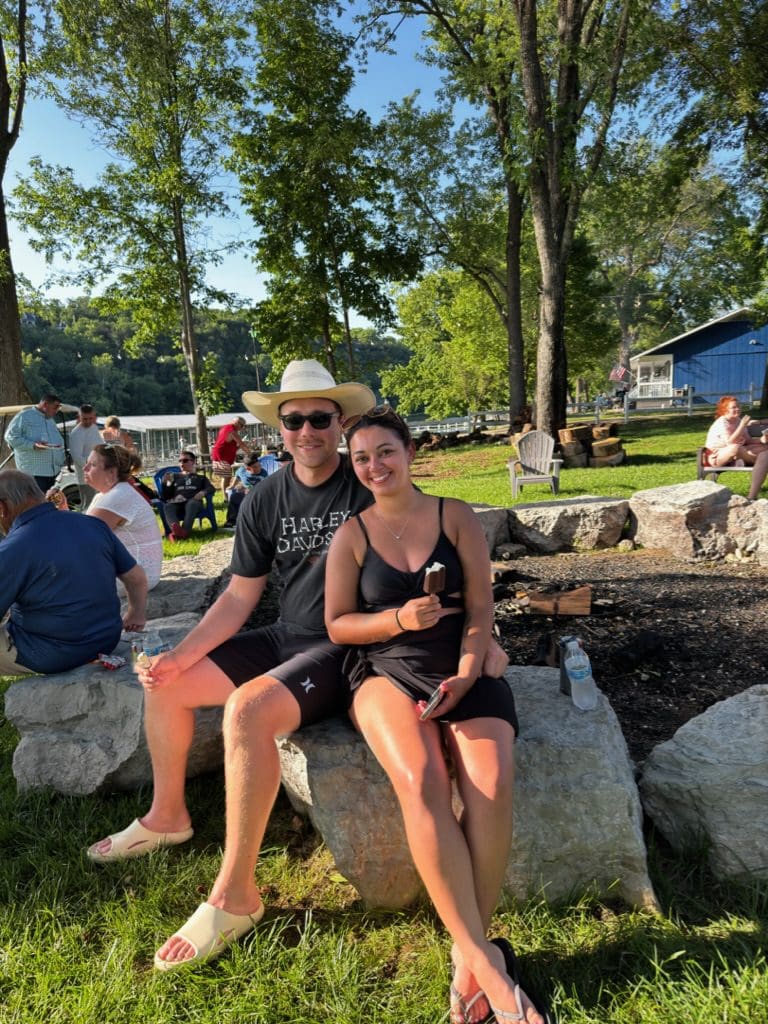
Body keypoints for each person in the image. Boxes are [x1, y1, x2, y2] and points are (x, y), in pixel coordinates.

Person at [84, 359, 508, 973]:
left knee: (248, 710)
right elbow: (239, 595)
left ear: (341, 424)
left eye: (320, 419)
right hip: (287, 634)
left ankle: (235, 894)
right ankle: (168, 815)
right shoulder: (264, 497)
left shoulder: (368, 478)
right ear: (278, 427)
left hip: (349, 649)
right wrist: (179, 655)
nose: (307, 430)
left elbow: (448, 566)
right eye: (294, 420)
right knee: (168, 686)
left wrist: (485, 641)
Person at [324, 409, 543, 1024]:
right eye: (361, 457)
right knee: (421, 779)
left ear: (410, 452)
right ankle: (489, 969)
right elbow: (337, 624)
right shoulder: (353, 535)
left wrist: (469, 672)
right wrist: (398, 618)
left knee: (491, 783)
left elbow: (481, 608)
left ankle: (467, 956)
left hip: (460, 665)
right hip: (384, 672)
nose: (375, 466)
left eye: (385, 452)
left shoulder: (456, 515)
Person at [0, 469, 148, 676]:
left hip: (50, 652)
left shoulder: (13, 548)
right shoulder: (93, 524)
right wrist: (136, 613)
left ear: (2, 508)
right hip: (106, 639)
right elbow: (136, 578)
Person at [85, 443, 163, 589]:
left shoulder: (118, 496)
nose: (85, 468)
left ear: (112, 472)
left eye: (92, 465)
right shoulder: (108, 494)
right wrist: (63, 510)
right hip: (132, 571)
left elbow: (84, 538)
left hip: (134, 575)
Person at [704, 396, 768, 501]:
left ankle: (751, 496)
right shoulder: (722, 423)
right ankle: (757, 461)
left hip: (740, 451)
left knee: (765, 451)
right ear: (725, 409)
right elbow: (730, 442)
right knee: (735, 448)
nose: (737, 409)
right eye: (733, 407)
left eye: (738, 406)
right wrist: (742, 425)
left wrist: (761, 440)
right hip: (718, 456)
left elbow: (748, 440)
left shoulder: (737, 420)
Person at [4, 393, 65, 492]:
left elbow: (58, 441)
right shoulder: (24, 416)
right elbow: (10, 437)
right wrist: (33, 445)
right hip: (34, 474)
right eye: (55, 407)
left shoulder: (50, 421)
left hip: (54, 473)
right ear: (45, 404)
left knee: (50, 501)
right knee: (35, 501)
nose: (57, 410)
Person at [160, 451, 215, 540]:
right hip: (177, 503)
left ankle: (183, 532)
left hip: (194, 502)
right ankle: (177, 531)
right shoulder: (174, 477)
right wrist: (166, 484)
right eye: (180, 461)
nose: (182, 463)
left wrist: (203, 492)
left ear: (193, 462)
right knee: (168, 506)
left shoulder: (200, 478)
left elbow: (211, 488)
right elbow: (166, 496)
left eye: (185, 460)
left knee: (191, 504)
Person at [69, 403, 102, 510]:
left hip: (98, 473)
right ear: (79, 417)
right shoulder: (76, 434)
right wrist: (93, 470)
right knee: (88, 507)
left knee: (98, 506)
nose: (88, 421)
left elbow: (100, 445)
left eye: (90, 418)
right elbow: (77, 458)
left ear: (94, 416)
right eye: (84, 419)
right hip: (86, 477)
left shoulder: (94, 428)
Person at [223, 451, 267, 528]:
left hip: (258, 495)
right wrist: (232, 486)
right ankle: (231, 520)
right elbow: (237, 476)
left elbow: (265, 487)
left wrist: (252, 490)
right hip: (244, 493)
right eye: (255, 467)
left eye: (259, 465)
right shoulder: (242, 471)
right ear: (248, 468)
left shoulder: (263, 473)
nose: (259, 468)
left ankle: (255, 521)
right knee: (234, 497)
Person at [211, 416, 251, 496]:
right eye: (242, 425)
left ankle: (226, 495)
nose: (242, 428)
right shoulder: (231, 430)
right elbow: (241, 444)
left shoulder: (226, 428)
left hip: (222, 455)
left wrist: (239, 446)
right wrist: (250, 453)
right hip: (221, 456)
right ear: (237, 423)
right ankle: (226, 497)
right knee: (227, 477)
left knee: (227, 477)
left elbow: (230, 444)